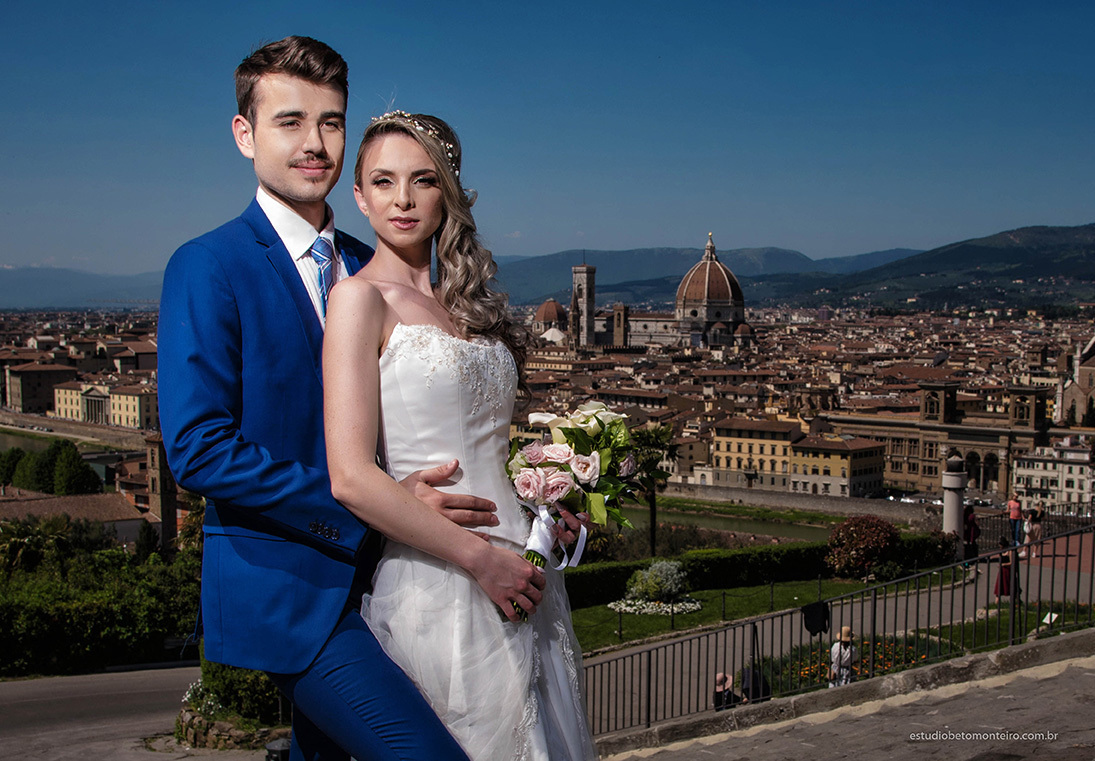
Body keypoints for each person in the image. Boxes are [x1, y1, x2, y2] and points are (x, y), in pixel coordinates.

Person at [158, 37, 540, 761]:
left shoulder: (375, 265)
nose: (314, 143)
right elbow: (198, 449)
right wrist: (370, 501)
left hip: (403, 580)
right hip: (295, 591)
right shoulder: (208, 265)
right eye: (289, 121)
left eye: (330, 122)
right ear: (244, 134)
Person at [323, 111, 598, 760]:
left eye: (422, 180)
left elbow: (486, 447)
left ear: (446, 193)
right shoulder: (359, 300)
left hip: (525, 569)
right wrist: (479, 559)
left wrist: (548, 508)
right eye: (383, 181)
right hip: (443, 577)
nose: (402, 199)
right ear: (358, 196)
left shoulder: (470, 308)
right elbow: (350, 476)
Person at [994, 535, 1020, 604]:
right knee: (999, 586)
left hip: (1008, 570)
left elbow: (1011, 562)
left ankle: (1015, 600)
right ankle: (997, 602)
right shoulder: (1001, 552)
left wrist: (1004, 564)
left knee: (1010, 584)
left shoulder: (1009, 551)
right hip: (1002, 570)